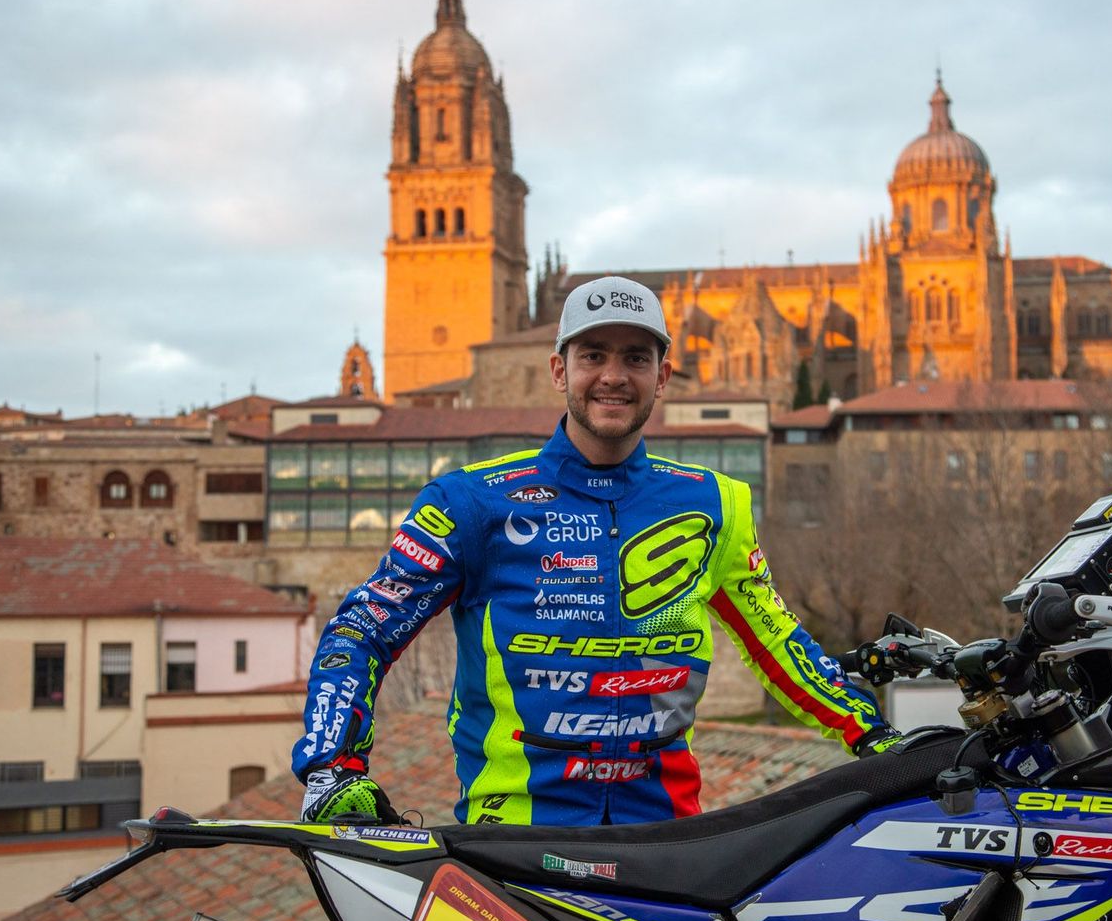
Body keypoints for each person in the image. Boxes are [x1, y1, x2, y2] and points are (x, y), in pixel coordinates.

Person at [292, 275, 898, 827]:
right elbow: (362, 628)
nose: (614, 375)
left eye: (635, 357)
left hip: (669, 836)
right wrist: (333, 766)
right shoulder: (469, 501)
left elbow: (779, 642)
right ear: (560, 371)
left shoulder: (716, 504)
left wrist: (873, 737)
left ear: (663, 376)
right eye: (593, 356)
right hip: (517, 842)